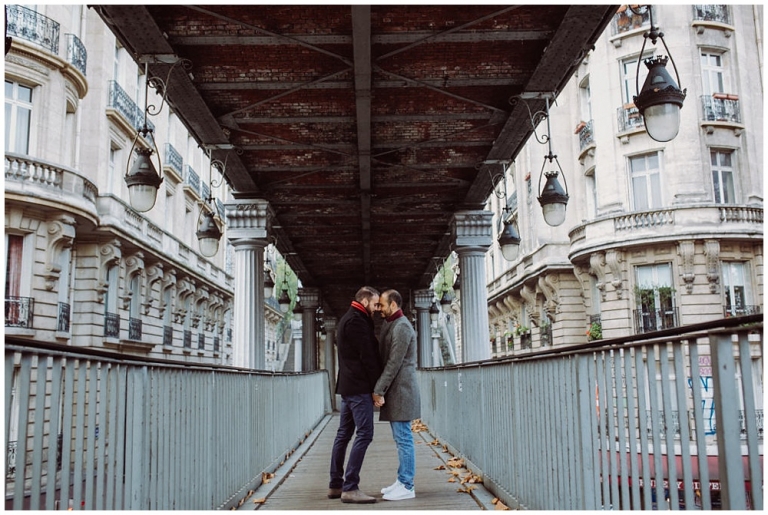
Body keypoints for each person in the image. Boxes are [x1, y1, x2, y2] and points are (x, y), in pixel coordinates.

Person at [328, 286, 383, 504]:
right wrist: (377, 389)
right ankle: (350, 487)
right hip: (359, 387)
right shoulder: (357, 321)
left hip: (348, 386)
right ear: (365, 301)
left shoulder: (349, 318)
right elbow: (367, 357)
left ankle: (335, 484)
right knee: (365, 434)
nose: (377, 308)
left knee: (343, 434)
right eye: (375, 304)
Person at [372, 289, 421, 501]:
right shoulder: (393, 324)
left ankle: (407, 485)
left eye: (382, 305)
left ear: (393, 305)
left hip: (402, 390)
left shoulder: (401, 327)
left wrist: (378, 389)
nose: (379, 309)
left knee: (404, 439)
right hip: (398, 390)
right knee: (401, 438)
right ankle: (402, 480)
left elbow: (394, 362)